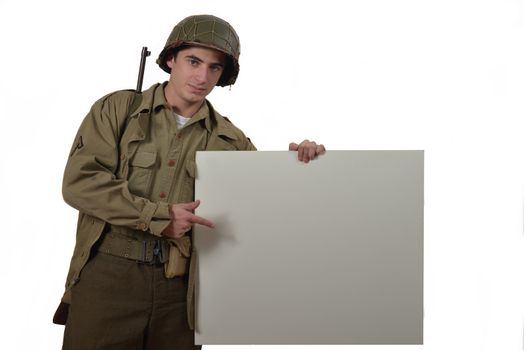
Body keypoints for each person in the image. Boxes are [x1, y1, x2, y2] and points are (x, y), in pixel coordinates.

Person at [53, 14, 325, 350]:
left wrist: (300, 165)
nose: (202, 76)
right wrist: (160, 217)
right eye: (193, 61)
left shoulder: (231, 141)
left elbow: (265, 209)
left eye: (214, 67)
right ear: (171, 60)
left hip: (182, 293)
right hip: (109, 278)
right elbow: (80, 182)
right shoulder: (119, 111)